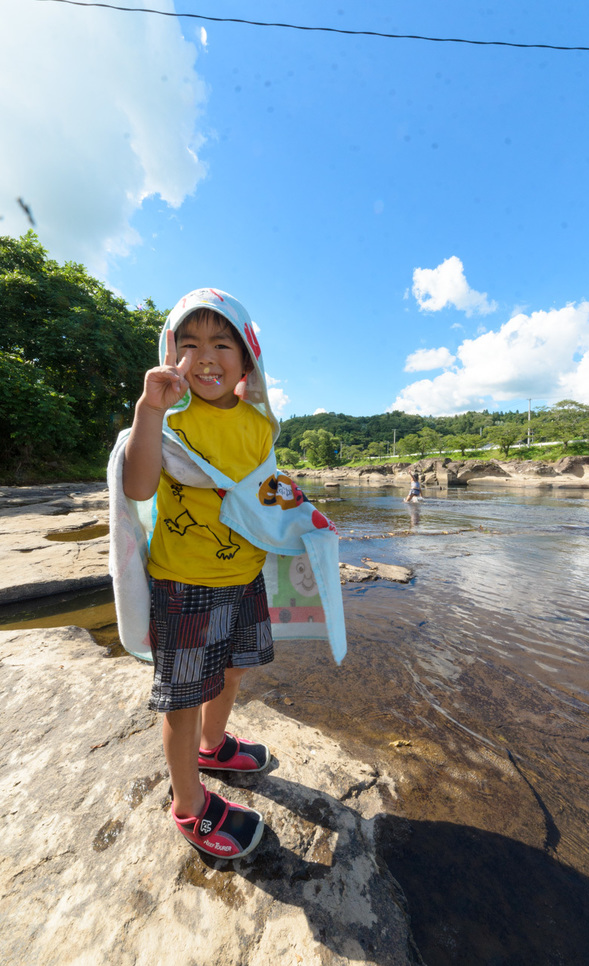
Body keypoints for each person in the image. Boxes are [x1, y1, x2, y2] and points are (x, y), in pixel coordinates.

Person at [122, 289, 279, 862]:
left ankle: (213, 748)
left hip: (245, 577)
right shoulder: (170, 420)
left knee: (233, 671)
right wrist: (148, 411)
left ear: (245, 359)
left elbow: (265, 495)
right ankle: (188, 804)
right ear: (171, 356)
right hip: (184, 585)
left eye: (221, 343)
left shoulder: (259, 426)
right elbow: (137, 489)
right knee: (182, 700)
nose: (205, 355)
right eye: (189, 344)